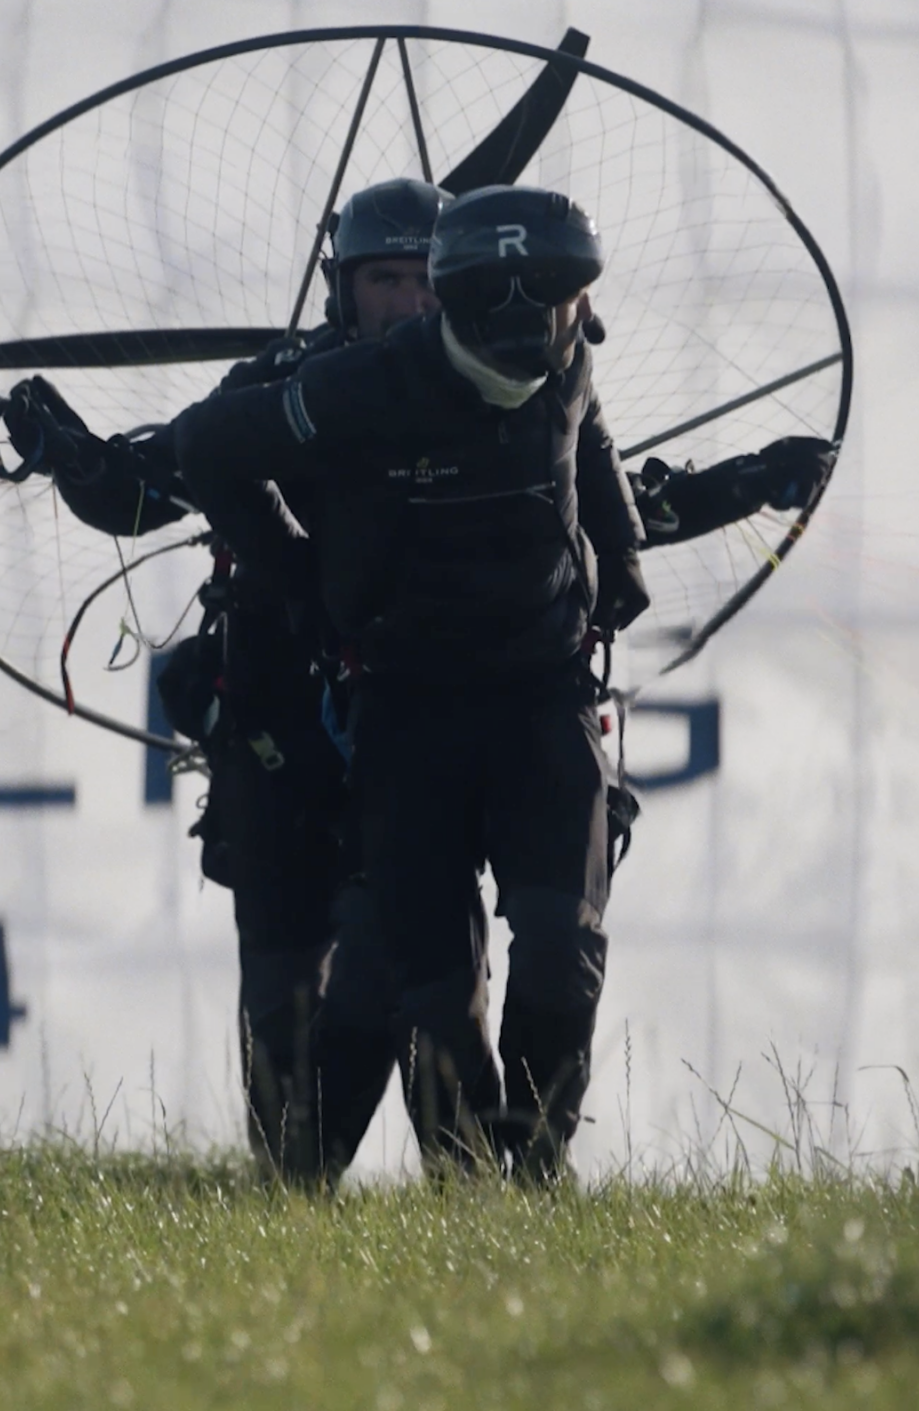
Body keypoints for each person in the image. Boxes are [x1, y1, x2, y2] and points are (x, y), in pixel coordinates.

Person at [172, 184, 647, 1181]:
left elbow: (584, 436)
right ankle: (421, 1188)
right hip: (405, 715)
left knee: (563, 950)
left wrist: (624, 554)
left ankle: (531, 1175)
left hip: (543, 700)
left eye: (555, 299)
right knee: (425, 992)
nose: (531, 322)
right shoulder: (364, 385)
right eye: (497, 299)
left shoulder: (568, 360)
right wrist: (290, 572)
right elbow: (206, 447)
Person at [0, 178, 455, 1178]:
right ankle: (289, 1206)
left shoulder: (492, 386)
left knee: (432, 978)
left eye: (428, 280)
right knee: (282, 982)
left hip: (421, 725)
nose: (410, 303)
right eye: (387, 280)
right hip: (281, 723)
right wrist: (68, 452)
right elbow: (146, 489)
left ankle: (475, 1206)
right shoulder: (284, 381)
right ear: (344, 288)